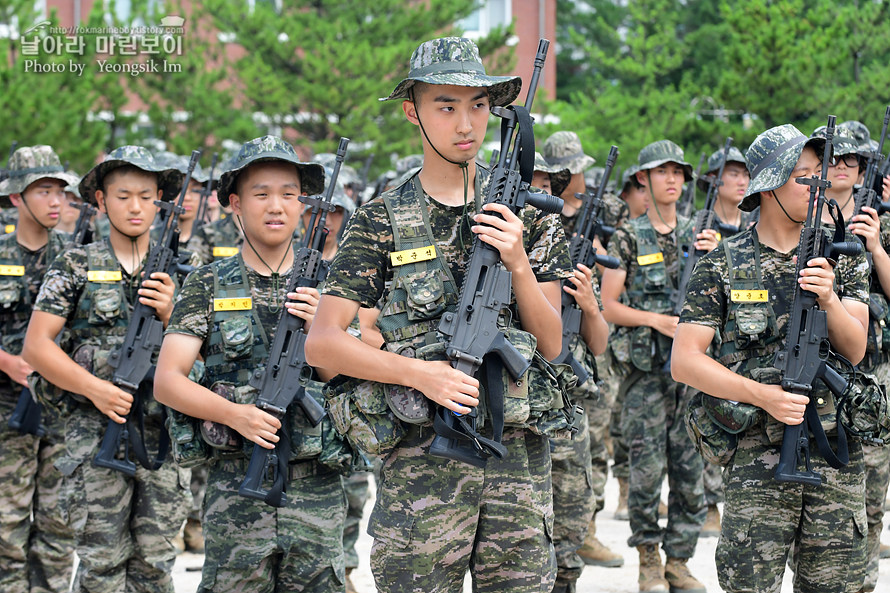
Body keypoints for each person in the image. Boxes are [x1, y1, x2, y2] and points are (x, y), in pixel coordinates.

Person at [305, 36, 574, 593]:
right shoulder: (380, 220)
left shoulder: (527, 217)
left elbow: (552, 345)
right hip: (421, 471)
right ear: (413, 112)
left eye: (478, 106)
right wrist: (418, 373)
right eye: (445, 106)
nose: (465, 124)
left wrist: (518, 261)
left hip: (516, 469)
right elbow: (323, 343)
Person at [672, 124, 871, 593]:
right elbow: (685, 360)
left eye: (818, 174)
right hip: (757, 456)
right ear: (768, 184)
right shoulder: (724, 261)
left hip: (833, 451)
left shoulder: (841, 254)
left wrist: (830, 299)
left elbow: (856, 348)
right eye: (802, 175)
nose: (817, 186)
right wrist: (760, 395)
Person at [154, 135, 352, 592]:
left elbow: (346, 382)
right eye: (261, 194)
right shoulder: (207, 282)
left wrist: (320, 329)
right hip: (235, 486)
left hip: (316, 488)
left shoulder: (331, 281)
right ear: (235, 204)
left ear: (304, 205)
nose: (276, 205)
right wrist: (235, 415)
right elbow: (168, 380)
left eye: (288, 194)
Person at [22, 146, 192, 592]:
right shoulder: (76, 264)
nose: (135, 207)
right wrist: (94, 388)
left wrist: (173, 314)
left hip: (163, 439)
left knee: (156, 563)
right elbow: (37, 346)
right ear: (100, 201)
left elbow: (207, 356)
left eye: (146, 195)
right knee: (101, 563)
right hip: (93, 434)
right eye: (122, 196)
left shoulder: (183, 271)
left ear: (160, 200)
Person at [601, 140, 715, 593]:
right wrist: (656, 320)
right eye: (661, 172)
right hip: (646, 376)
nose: (671, 179)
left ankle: (679, 561)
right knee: (647, 473)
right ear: (643, 181)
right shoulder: (628, 236)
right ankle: (648, 559)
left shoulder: (699, 234)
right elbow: (609, 305)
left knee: (690, 473)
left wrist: (714, 255)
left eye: (678, 172)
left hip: (690, 379)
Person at [0, 145, 79, 593]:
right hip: (6, 406)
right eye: (43, 191)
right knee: (6, 520)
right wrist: (8, 362)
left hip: (62, 410)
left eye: (60, 192)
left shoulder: (76, 255)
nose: (56, 201)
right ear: (16, 198)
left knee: (59, 521)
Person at [826, 122, 890, 593]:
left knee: (871, 494)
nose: (842, 166)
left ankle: (864, 582)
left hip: (874, 374)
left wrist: (876, 247)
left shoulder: (881, 222)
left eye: (853, 160)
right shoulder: (804, 217)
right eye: (834, 157)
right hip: (821, 369)